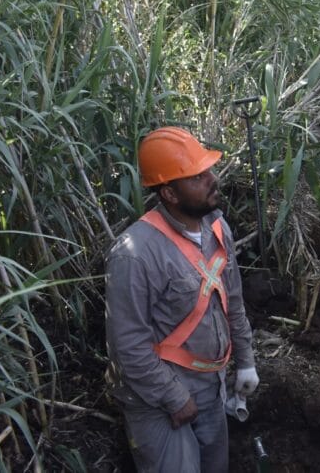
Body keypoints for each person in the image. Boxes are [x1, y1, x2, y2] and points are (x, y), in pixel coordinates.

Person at [105, 127, 257, 472]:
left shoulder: (216, 227)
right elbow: (127, 346)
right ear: (169, 194)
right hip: (155, 396)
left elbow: (232, 300)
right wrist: (174, 397)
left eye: (208, 170)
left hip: (209, 384)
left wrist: (245, 360)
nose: (212, 180)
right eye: (197, 177)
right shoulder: (135, 254)